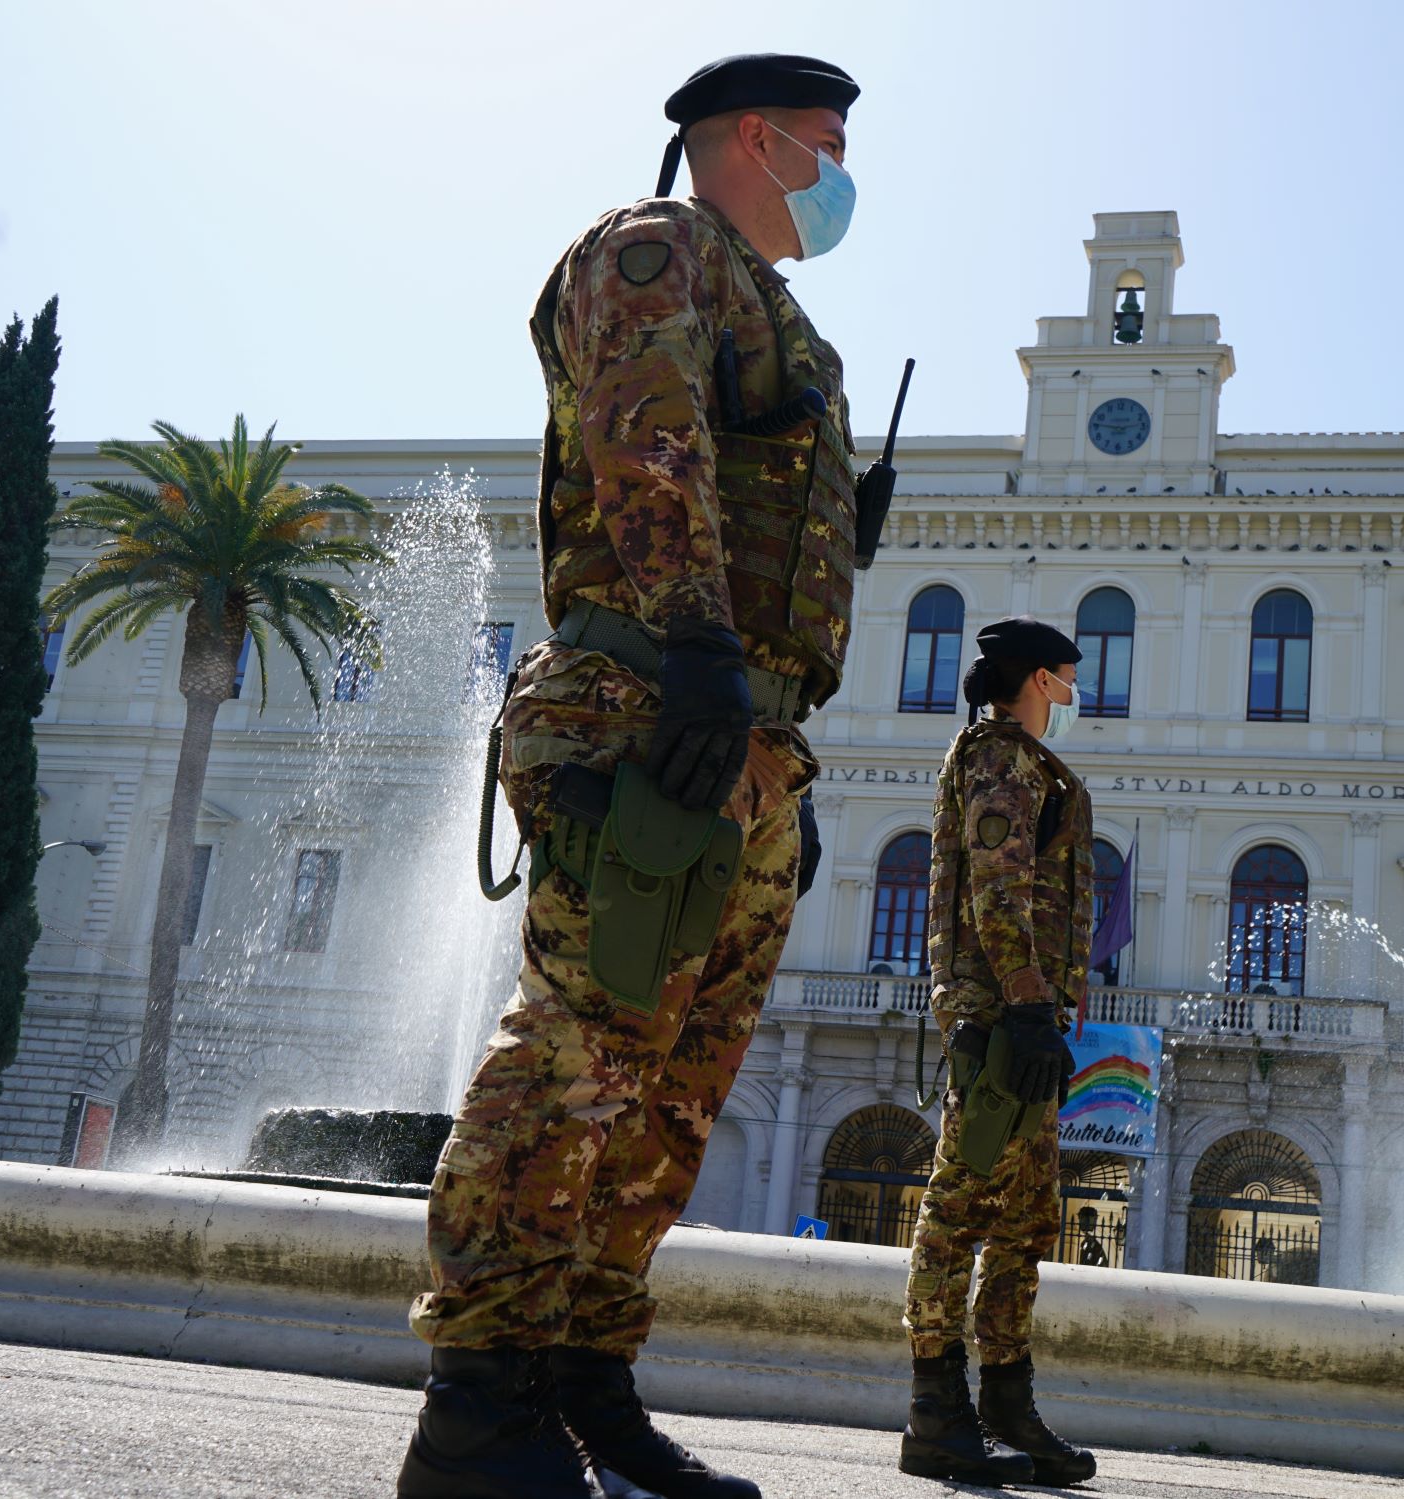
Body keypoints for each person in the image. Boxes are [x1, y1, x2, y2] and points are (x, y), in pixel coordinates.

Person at [399, 52, 880, 1499]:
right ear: (751, 137)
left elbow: (724, 467)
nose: (844, 175)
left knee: (668, 1097)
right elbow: (641, 433)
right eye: (827, 143)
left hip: (741, 740)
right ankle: (477, 1409)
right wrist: (695, 646)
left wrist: (829, 539)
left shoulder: (776, 308)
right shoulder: (653, 244)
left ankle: (584, 1382)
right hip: (645, 705)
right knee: (578, 1056)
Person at [896, 617, 1102, 1488]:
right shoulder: (1000, 757)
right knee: (960, 1207)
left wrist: (1041, 1012)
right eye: (1067, 675)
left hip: (1025, 1016)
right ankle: (936, 1409)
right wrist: (1020, 1006)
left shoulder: (1027, 762)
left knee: (1024, 1217)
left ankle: (1007, 1401)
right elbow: (998, 883)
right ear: (1042, 681)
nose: (1074, 691)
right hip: (996, 1018)